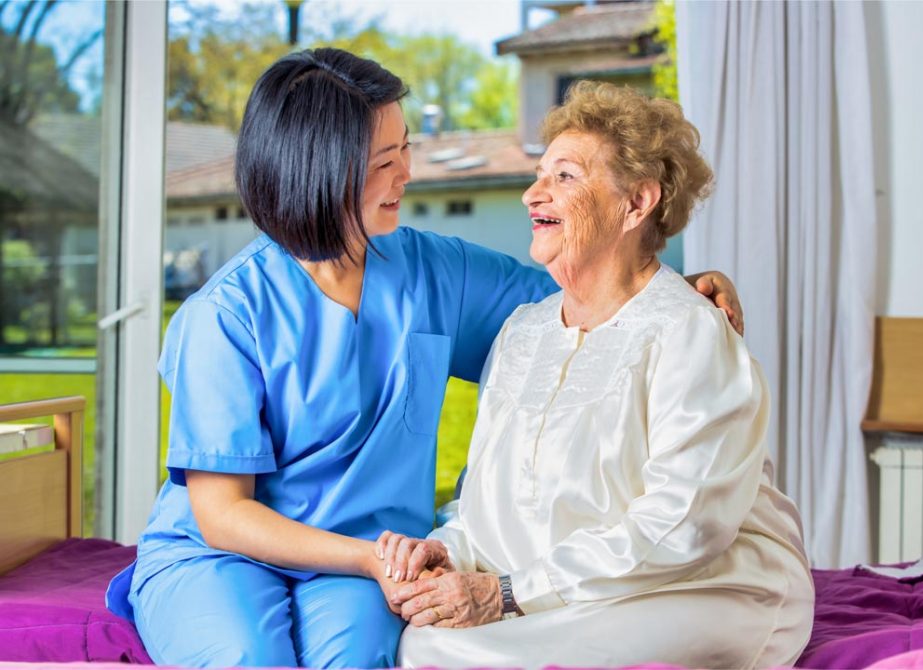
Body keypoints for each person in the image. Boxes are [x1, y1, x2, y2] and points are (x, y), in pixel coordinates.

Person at [104, 50, 743, 669]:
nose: (408, 172)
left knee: (359, 661)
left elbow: (593, 292)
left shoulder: (437, 271)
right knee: (250, 659)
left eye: (405, 147)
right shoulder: (227, 315)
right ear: (323, 172)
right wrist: (367, 559)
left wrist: (683, 289)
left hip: (372, 560)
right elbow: (223, 514)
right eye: (386, 160)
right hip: (226, 557)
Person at [389, 82, 814, 669]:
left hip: (697, 584)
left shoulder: (690, 331)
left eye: (565, 176)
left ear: (636, 204)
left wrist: (507, 594)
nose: (533, 193)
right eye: (539, 174)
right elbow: (486, 496)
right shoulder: (523, 331)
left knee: (454, 654)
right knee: (425, 640)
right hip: (549, 588)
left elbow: (683, 527)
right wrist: (450, 553)